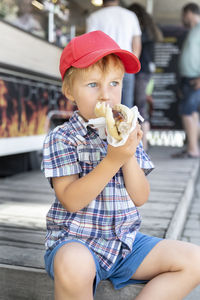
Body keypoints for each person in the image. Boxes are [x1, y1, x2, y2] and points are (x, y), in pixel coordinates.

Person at [42, 31, 200, 300]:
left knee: (194, 260)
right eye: (93, 85)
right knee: (73, 264)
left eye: (114, 84)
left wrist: (126, 153)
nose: (106, 95)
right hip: (76, 240)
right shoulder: (63, 137)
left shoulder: (126, 129)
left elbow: (140, 197)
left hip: (124, 243)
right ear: (70, 91)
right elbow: (70, 200)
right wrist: (111, 160)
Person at [86, 0, 142, 108]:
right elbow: (137, 44)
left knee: (102, 106)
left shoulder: (94, 17)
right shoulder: (130, 16)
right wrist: (132, 64)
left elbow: (89, 44)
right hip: (125, 65)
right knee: (125, 108)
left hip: (102, 66)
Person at [128, 3, 163, 151]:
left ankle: (143, 147)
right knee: (141, 107)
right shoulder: (150, 30)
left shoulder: (141, 32)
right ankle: (143, 146)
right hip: (146, 72)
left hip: (139, 71)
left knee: (139, 108)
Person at [173, 3, 200, 158]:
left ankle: (193, 149)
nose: (182, 19)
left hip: (195, 78)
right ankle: (193, 146)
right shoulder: (193, 30)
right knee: (193, 113)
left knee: (186, 112)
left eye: (184, 15)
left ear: (189, 13)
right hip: (189, 77)